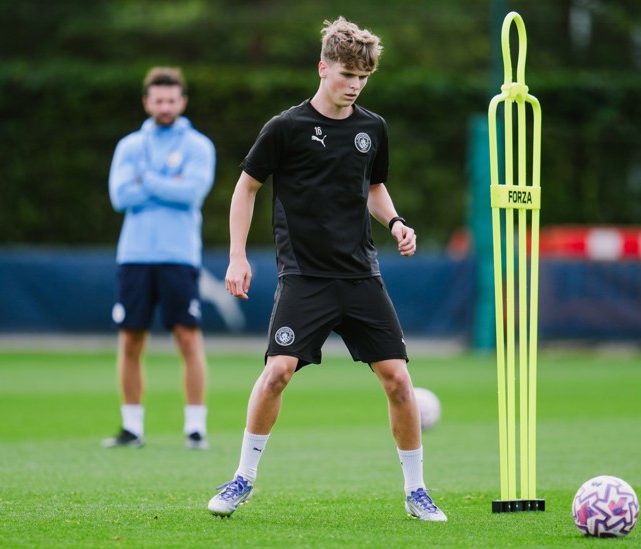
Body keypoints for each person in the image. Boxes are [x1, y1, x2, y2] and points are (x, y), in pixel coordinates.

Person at [207, 17, 446, 521]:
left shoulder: (372, 128)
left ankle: (416, 491)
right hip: (304, 277)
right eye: (346, 74)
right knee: (276, 373)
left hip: (360, 275)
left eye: (363, 77)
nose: (354, 85)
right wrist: (236, 256)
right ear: (323, 68)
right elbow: (245, 187)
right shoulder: (285, 128)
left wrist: (397, 222)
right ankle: (242, 479)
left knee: (399, 381)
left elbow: (374, 189)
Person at [103, 66, 216, 450]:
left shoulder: (198, 146)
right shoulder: (129, 146)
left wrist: (147, 181)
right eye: (158, 99)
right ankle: (132, 427)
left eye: (172, 99)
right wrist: (169, 183)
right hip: (134, 254)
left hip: (179, 254)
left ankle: (195, 428)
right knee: (131, 339)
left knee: (187, 338)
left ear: (182, 102)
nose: (165, 106)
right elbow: (120, 197)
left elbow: (192, 193)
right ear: (147, 102)